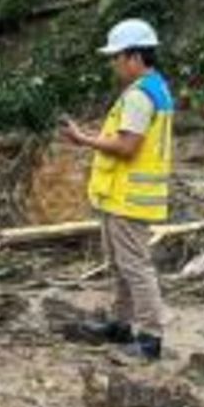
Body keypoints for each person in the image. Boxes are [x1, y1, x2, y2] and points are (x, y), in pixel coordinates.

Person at [60, 18, 174, 361]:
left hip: (129, 197)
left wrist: (83, 139)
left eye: (116, 57)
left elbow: (127, 147)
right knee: (122, 265)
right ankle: (121, 325)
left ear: (134, 57)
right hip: (121, 195)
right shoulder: (153, 88)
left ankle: (150, 338)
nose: (114, 65)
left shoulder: (140, 95)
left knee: (135, 267)